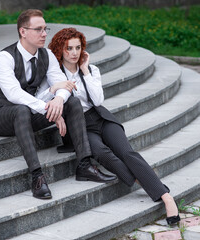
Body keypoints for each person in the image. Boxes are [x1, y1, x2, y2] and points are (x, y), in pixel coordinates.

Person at [47, 27, 180, 225]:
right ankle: (147, 184)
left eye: (78, 48)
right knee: (102, 152)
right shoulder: (55, 74)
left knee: (127, 153)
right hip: (80, 126)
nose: (74, 53)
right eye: (69, 48)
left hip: (100, 118)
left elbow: (98, 99)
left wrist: (84, 71)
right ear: (60, 50)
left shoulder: (92, 70)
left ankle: (167, 198)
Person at [0, 10, 116, 200]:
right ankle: (37, 177)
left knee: (71, 101)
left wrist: (59, 101)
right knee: (20, 110)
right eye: (38, 29)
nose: (44, 33)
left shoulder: (46, 55)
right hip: (0, 115)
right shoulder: (5, 58)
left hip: (31, 110)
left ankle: (84, 165)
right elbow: (14, 94)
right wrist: (50, 110)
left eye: (45, 29)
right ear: (23, 32)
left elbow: (64, 84)